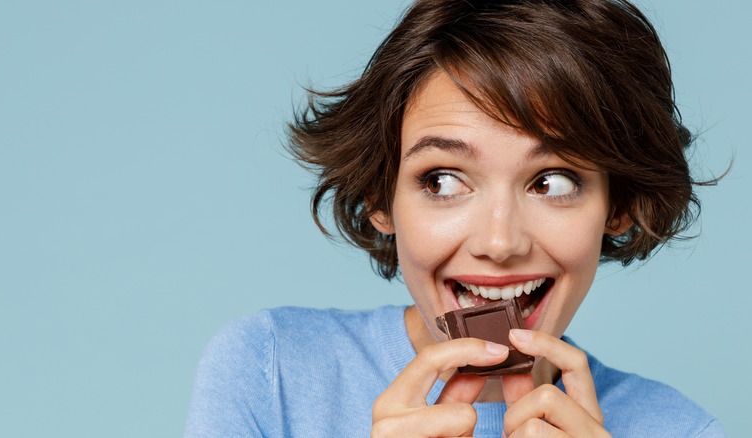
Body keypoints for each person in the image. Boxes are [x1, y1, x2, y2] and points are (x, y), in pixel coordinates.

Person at [185, 0, 725, 436]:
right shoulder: (269, 370)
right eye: (442, 181)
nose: (499, 241)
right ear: (380, 195)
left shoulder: (681, 429)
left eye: (552, 182)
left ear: (618, 204)